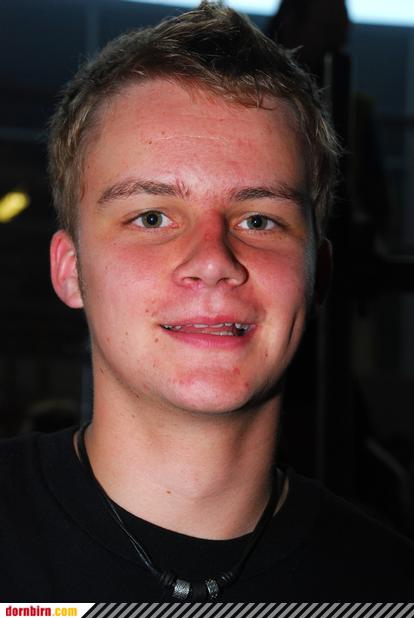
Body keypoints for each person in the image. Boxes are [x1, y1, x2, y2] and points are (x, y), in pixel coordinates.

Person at [0, 1, 413, 602]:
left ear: (317, 274)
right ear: (70, 270)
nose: (214, 259)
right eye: (152, 217)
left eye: (259, 219)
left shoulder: (389, 591)